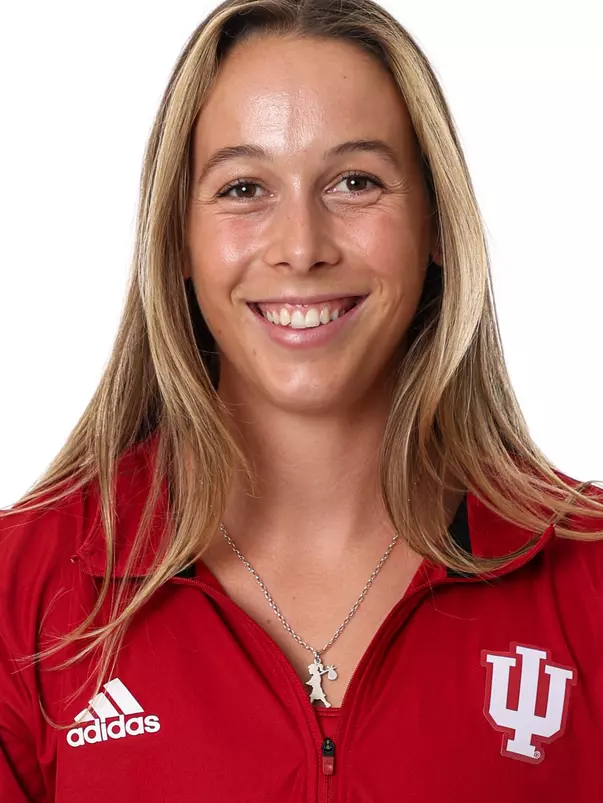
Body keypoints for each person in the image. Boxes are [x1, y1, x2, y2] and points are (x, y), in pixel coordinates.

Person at [1, 0, 602, 799]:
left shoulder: (586, 575)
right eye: (243, 187)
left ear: (435, 227)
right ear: (177, 238)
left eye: (356, 181)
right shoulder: (22, 592)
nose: (300, 248)